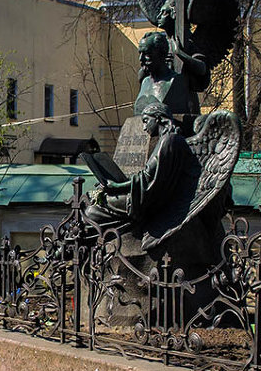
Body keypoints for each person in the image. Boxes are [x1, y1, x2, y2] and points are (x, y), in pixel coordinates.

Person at [83, 102, 198, 250]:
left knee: (95, 209)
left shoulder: (169, 141)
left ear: (158, 118)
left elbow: (147, 177)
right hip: (149, 195)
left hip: (148, 201)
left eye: (146, 121)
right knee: (93, 203)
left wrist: (116, 186)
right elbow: (149, 176)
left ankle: (80, 251)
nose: (144, 127)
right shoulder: (174, 140)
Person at [133, 30, 207, 117]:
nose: (141, 58)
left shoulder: (177, 81)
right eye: (140, 53)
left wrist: (179, 52)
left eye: (147, 54)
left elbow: (201, 69)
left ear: (162, 54)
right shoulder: (145, 81)